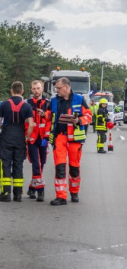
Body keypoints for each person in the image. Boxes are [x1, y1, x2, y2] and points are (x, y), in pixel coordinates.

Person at [48, 77, 91, 205]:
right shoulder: (54, 101)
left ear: (67, 87)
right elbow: (49, 115)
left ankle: (74, 192)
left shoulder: (79, 99)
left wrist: (79, 120)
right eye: (56, 88)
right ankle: (61, 196)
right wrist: (43, 114)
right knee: (60, 167)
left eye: (59, 88)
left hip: (75, 139)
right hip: (59, 137)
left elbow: (88, 115)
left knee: (74, 167)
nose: (57, 91)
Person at [0, 82, 35, 202]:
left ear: (11, 91)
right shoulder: (26, 106)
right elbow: (31, 124)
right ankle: (18, 194)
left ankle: (5, 193)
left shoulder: (4, 104)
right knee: (18, 165)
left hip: (6, 138)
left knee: (5, 164)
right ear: (22, 91)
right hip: (20, 138)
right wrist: (27, 136)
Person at [26, 80, 51, 201]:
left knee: (42, 164)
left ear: (42, 89)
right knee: (36, 164)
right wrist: (27, 135)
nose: (36, 90)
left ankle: (32, 187)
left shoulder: (48, 103)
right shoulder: (28, 103)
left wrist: (44, 115)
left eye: (38, 88)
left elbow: (51, 119)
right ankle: (40, 190)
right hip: (32, 138)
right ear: (31, 90)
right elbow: (24, 121)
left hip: (43, 138)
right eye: (34, 88)